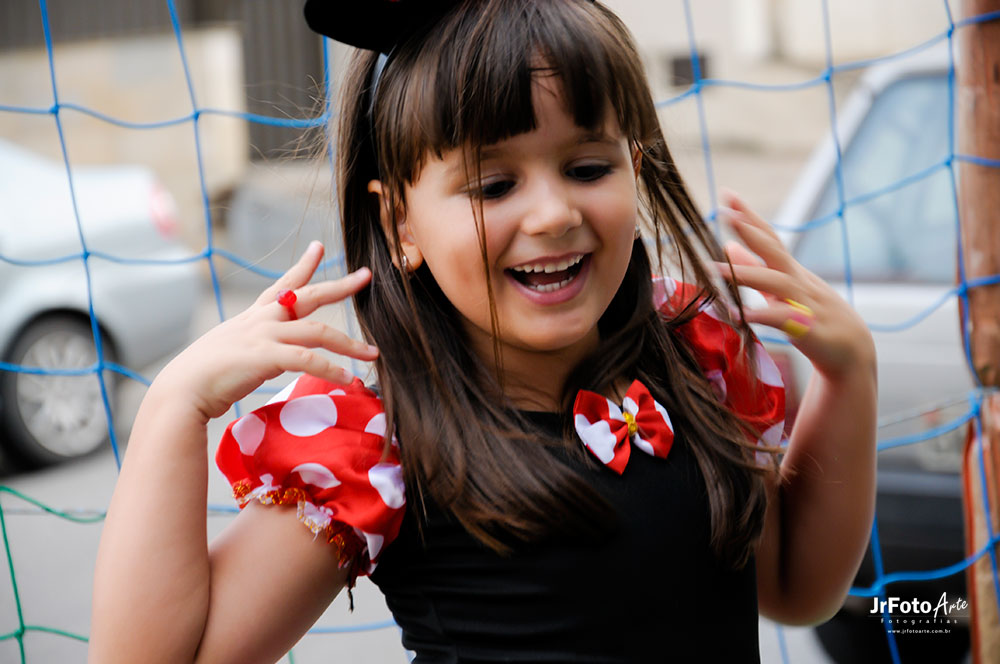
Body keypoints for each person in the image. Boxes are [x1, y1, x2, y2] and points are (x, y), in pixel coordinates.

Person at [89, 1, 877, 662]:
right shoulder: (382, 442)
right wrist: (172, 406)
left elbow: (798, 590)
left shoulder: (698, 358)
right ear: (400, 223)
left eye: (588, 168)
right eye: (494, 185)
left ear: (636, 169)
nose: (553, 213)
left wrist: (850, 376)